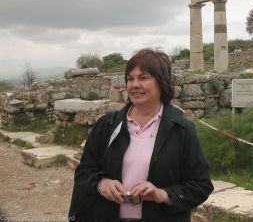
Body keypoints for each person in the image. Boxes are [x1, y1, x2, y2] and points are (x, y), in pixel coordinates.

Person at [68, 48, 214, 222]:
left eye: (143, 78)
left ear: (162, 82)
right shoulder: (107, 125)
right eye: (130, 79)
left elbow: (201, 185)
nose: (135, 85)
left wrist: (162, 194)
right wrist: (102, 184)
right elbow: (84, 172)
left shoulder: (181, 130)